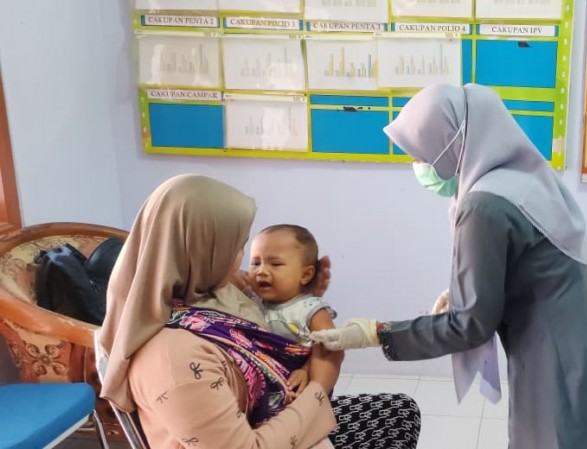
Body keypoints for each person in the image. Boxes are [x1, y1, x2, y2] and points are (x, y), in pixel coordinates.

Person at [311, 84, 587, 449]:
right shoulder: (522, 176)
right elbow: (537, 262)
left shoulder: (483, 204)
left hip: (560, 368)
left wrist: (377, 333)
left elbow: (468, 325)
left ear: (449, 145)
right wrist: (467, 287)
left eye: (420, 155)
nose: (417, 166)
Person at [97, 174, 420, 449]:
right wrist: (321, 384)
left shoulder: (202, 295)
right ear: (203, 252)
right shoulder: (171, 360)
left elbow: (265, 308)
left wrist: (302, 297)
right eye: (236, 246)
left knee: (398, 411)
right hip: (263, 434)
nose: (242, 262)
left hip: (271, 411)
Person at [248, 224, 336, 396]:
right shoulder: (251, 302)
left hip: (298, 387)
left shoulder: (311, 310)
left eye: (275, 264)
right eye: (255, 263)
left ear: (305, 275)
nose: (261, 271)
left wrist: (307, 370)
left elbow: (328, 349)